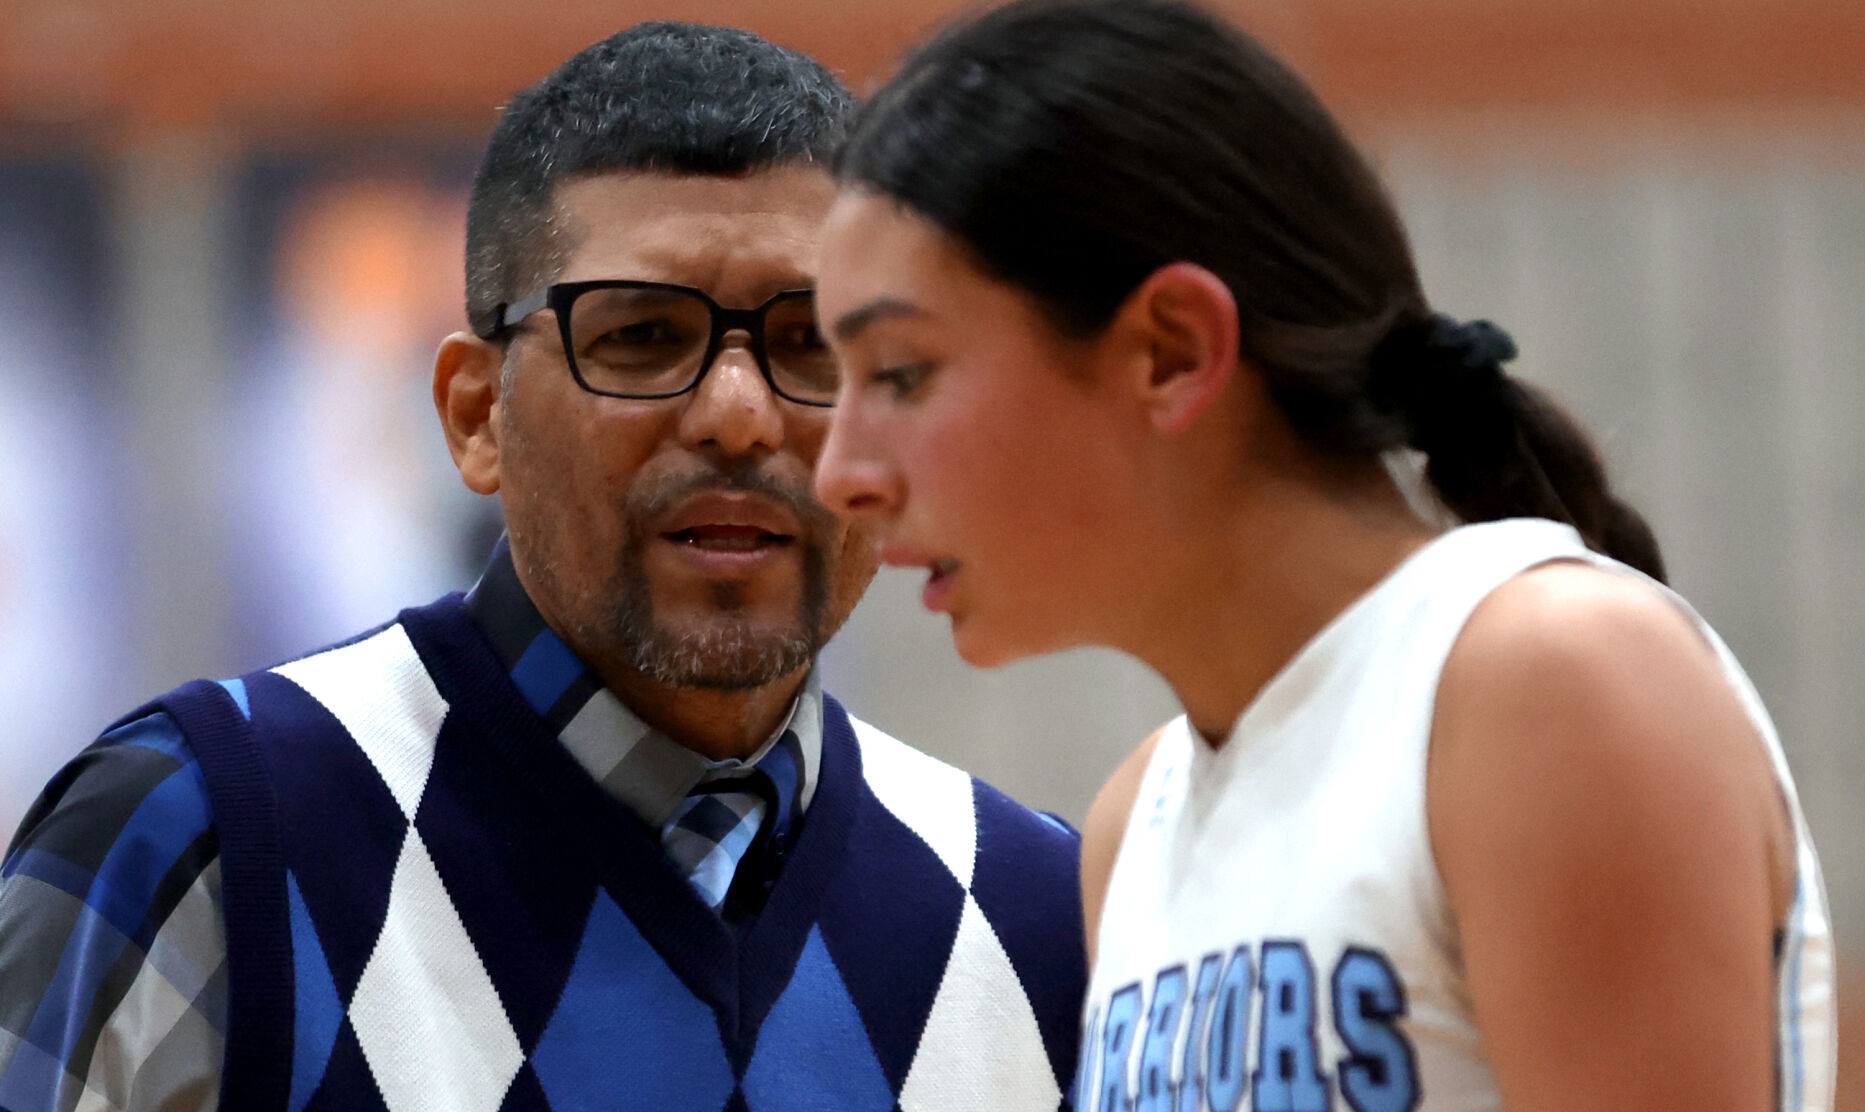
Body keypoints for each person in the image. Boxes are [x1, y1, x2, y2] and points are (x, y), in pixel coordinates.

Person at [0, 23, 1086, 1112]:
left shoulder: (1044, 914)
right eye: (643, 335)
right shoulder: (201, 833)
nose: (739, 414)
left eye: (813, 342)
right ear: (476, 415)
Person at [811, 1, 1836, 1110]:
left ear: (1170, 350)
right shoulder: (1131, 823)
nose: (839, 472)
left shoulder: (1547, 677)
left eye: (901, 373)